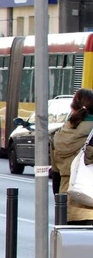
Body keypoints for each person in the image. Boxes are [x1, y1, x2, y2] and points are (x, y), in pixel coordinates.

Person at [51, 88, 93, 225]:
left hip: (67, 203)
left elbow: (55, 174)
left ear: (72, 107)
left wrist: (61, 202)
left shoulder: (60, 135)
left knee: (71, 245)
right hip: (90, 206)